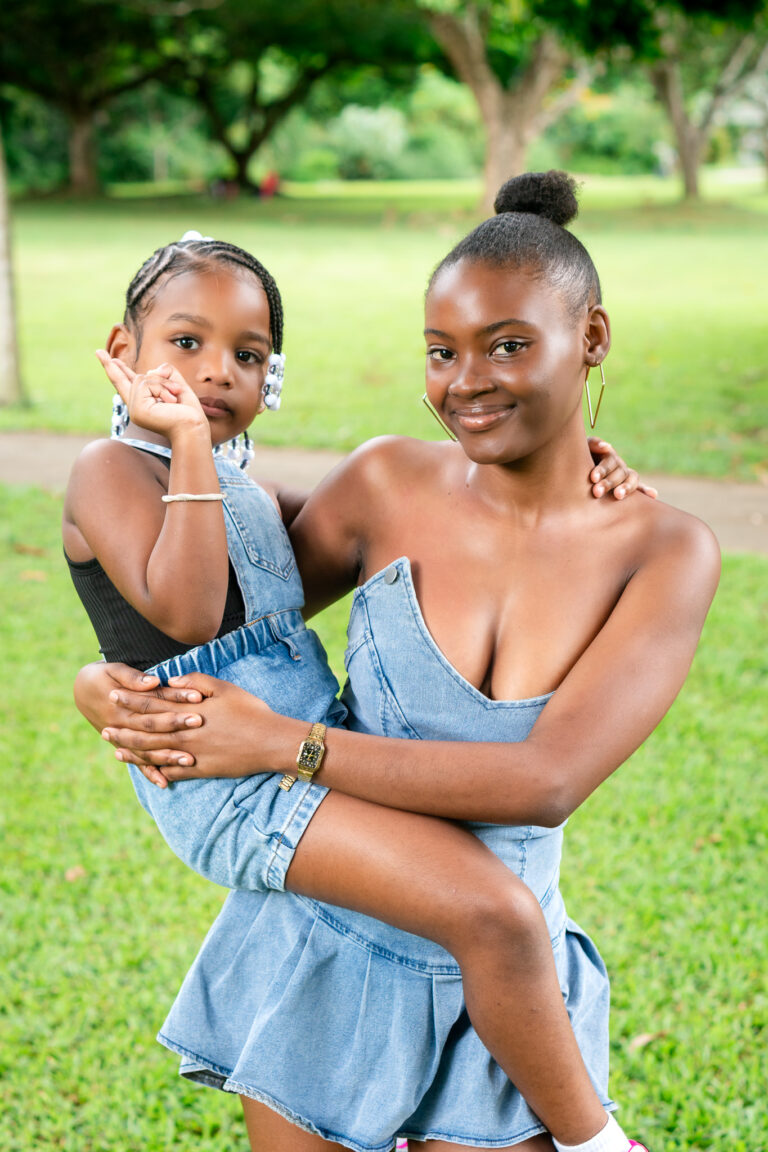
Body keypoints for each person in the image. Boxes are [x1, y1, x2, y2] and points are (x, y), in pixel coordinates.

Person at [72, 173, 718, 1152]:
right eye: (442, 351)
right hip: (318, 949)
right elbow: (220, 597)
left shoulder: (665, 552)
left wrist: (285, 744)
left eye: (510, 345)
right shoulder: (386, 484)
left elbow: (544, 783)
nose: (468, 382)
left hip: (501, 985)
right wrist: (105, 684)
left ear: (591, 337)